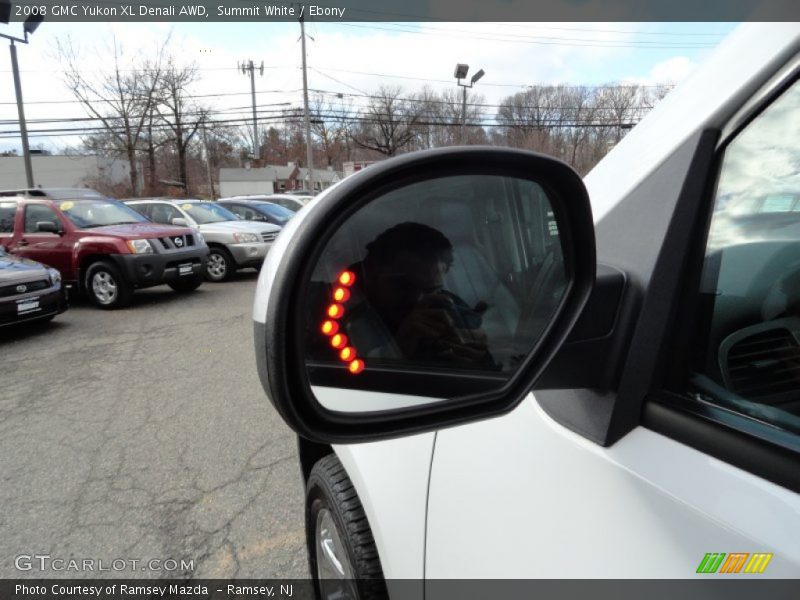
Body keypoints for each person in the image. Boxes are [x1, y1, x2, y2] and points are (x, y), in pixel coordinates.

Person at [341, 222, 496, 369]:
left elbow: (491, 367)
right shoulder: (344, 312)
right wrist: (398, 348)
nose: (417, 300)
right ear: (371, 270)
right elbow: (344, 377)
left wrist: (479, 356)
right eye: (404, 286)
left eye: (430, 290)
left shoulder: (446, 305)